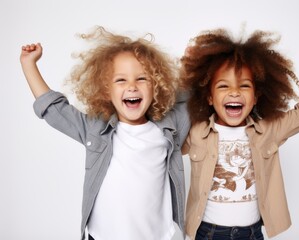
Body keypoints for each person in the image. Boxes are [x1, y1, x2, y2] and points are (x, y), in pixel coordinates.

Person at [20, 26, 190, 240]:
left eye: (142, 79)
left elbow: (193, 96)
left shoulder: (169, 128)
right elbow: (55, 110)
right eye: (121, 80)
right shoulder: (95, 130)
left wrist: (191, 61)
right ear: (106, 90)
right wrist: (29, 65)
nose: (132, 87)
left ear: (156, 86)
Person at [180, 28, 299, 240]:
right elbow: (169, 124)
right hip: (207, 233)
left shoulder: (268, 130)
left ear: (256, 96)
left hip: (251, 233)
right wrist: (186, 68)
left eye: (244, 86)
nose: (234, 92)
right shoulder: (195, 131)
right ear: (209, 97)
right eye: (223, 86)